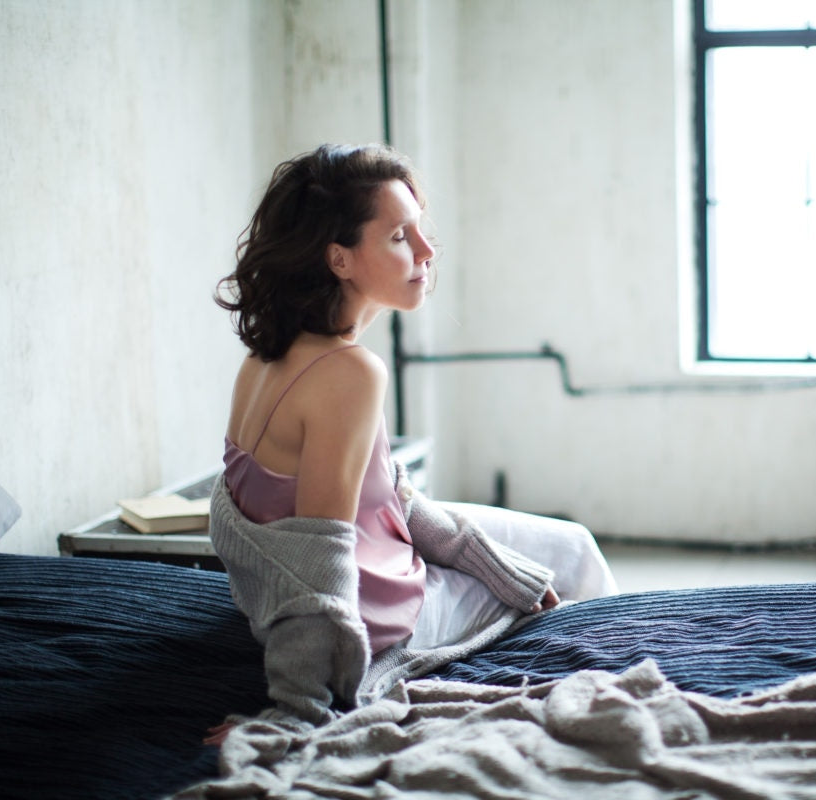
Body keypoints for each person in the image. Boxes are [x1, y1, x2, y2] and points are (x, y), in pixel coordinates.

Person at [208, 143, 617, 729]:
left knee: (554, 549)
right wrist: (296, 710)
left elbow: (388, 503)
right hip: (384, 614)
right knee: (575, 551)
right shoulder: (349, 375)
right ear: (339, 259)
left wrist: (492, 567)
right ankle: (613, 685)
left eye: (419, 230)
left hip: (378, 559)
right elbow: (319, 559)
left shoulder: (266, 359)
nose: (427, 251)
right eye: (400, 236)